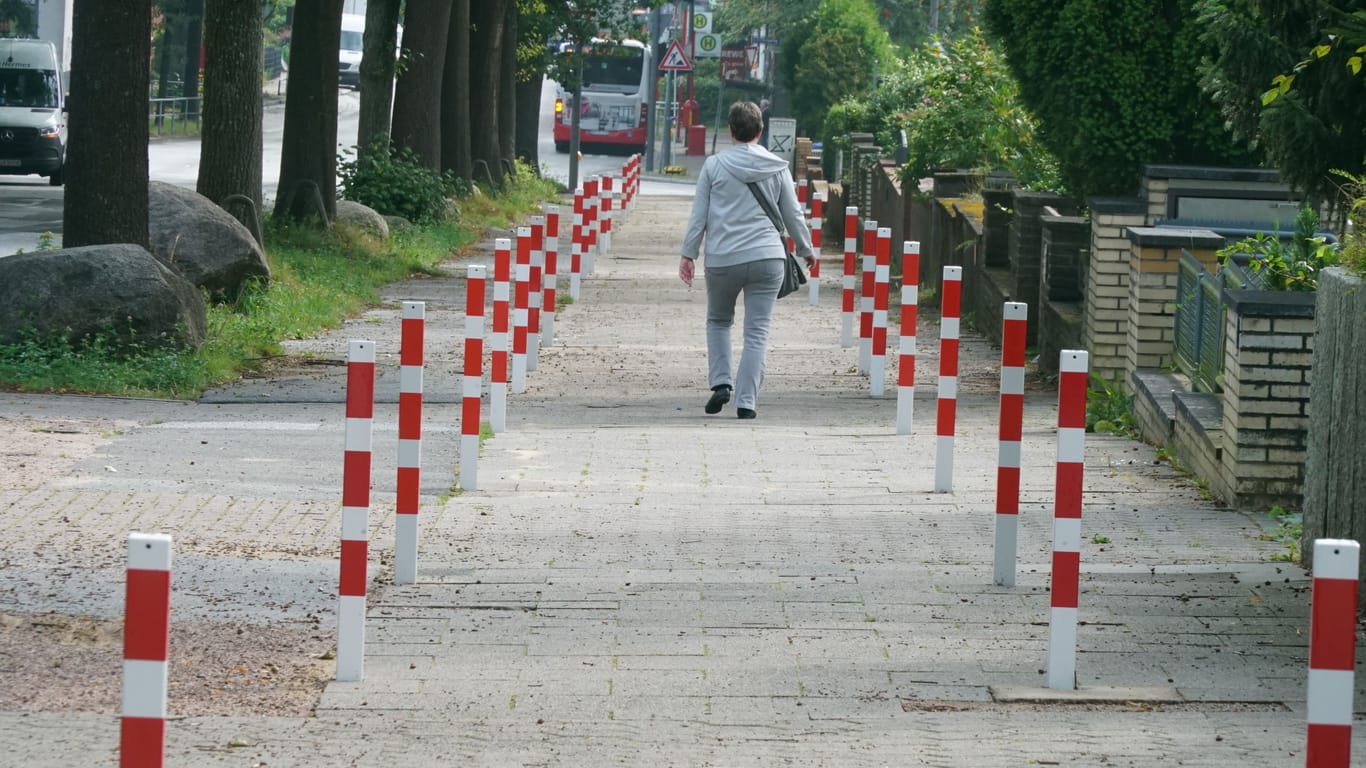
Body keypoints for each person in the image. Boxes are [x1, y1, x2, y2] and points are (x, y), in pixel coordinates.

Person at [678, 101, 815, 420]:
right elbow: (792, 214)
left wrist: (689, 254)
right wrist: (807, 249)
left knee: (718, 321)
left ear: (730, 131)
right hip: (768, 258)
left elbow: (699, 215)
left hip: (723, 258)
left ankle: (721, 383)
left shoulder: (713, 166)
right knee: (757, 331)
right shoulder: (777, 166)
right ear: (761, 131)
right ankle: (747, 401)